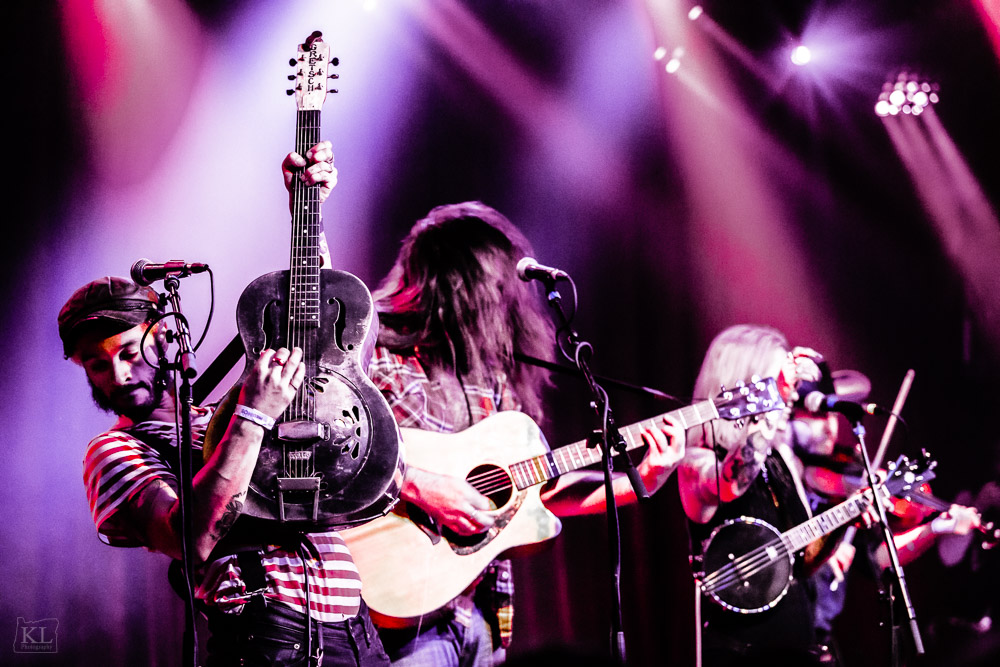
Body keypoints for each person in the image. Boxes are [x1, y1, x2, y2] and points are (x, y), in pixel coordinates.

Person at [61, 142, 391, 666]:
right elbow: (188, 542)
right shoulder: (114, 452)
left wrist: (307, 210)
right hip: (271, 640)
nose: (118, 375)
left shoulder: (215, 416)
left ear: (164, 335)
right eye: (97, 365)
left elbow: (314, 336)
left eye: (127, 351)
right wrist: (254, 416)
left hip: (358, 632)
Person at [357, 200, 687, 666]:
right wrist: (419, 485)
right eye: (490, 282)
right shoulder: (378, 357)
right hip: (402, 611)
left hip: (482, 615)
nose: (501, 295)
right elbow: (339, 456)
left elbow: (539, 493)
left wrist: (642, 481)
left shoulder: (493, 376)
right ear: (449, 282)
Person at [677, 324, 856, 666]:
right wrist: (771, 403)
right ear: (747, 381)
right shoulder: (698, 459)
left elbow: (805, 559)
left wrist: (848, 517)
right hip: (739, 651)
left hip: (797, 645)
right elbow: (733, 483)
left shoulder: (782, 458)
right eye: (778, 380)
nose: (790, 393)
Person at [790, 381, 982, 666]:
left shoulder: (847, 467)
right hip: (781, 633)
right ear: (790, 416)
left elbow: (879, 557)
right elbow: (813, 477)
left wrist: (936, 528)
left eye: (832, 414)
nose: (830, 425)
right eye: (818, 414)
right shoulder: (786, 473)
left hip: (820, 637)